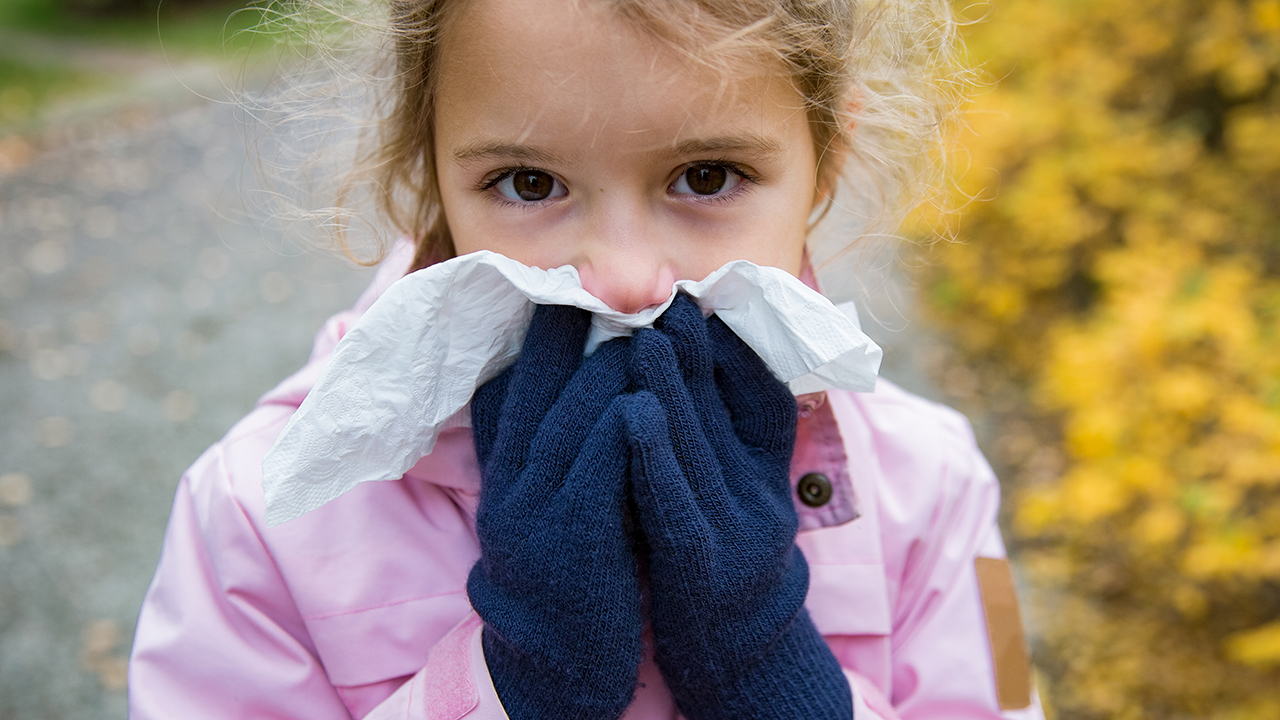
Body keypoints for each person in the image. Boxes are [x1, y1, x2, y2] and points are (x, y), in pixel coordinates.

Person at [128, 0, 1047, 718]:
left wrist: (768, 669)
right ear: (430, 169)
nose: (625, 279)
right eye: (530, 184)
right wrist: (518, 682)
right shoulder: (258, 517)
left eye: (708, 177)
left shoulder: (937, 489)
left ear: (826, 161)